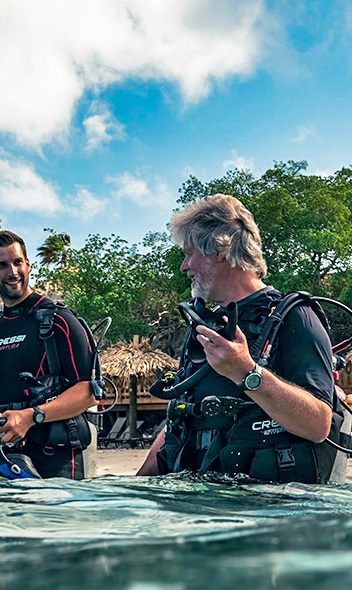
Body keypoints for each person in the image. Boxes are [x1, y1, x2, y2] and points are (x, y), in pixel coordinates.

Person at [137, 194, 341, 483]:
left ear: (219, 250)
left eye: (189, 253)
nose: (184, 266)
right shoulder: (207, 327)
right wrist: (138, 486)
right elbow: (182, 420)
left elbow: (319, 424)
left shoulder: (296, 317)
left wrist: (246, 372)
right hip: (198, 500)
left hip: (268, 504)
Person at [0, 230, 100, 479]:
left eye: (17, 262)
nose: (12, 272)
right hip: (4, 458)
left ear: (28, 265)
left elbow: (90, 393)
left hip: (58, 461)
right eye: (2, 265)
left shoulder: (59, 321)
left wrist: (31, 417)